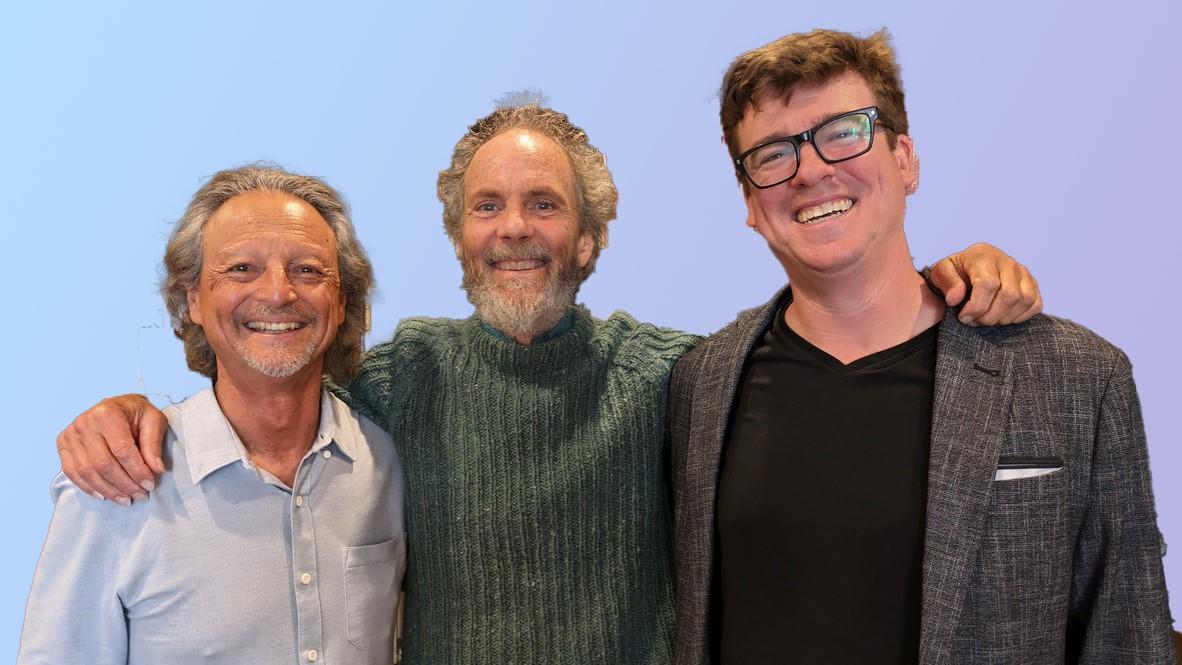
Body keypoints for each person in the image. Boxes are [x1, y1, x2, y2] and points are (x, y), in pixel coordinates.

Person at [53, 106, 1040, 663]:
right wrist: (130, 410)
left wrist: (944, 281)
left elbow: (829, 358)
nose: (514, 225)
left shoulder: (676, 375)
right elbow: (263, 380)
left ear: (592, 235)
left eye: (543, 203)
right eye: (487, 204)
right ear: (458, 233)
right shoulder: (395, 381)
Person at [668, 29, 1175, 664]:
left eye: (843, 132)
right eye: (772, 155)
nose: (812, 170)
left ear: (905, 158)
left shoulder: (1077, 376)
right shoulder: (698, 384)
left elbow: (1129, 638)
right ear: (749, 200)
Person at [20, 166, 405, 664]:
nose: (277, 293)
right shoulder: (114, 484)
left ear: (341, 300)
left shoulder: (389, 463)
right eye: (241, 268)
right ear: (193, 300)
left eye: (308, 270)